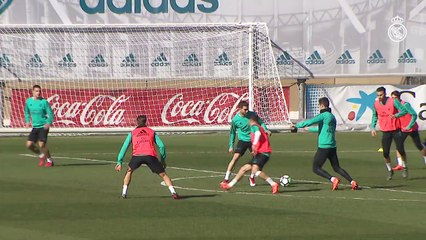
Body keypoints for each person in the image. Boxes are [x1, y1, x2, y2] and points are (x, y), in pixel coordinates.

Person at [295, 97, 359, 190]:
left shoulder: (324, 115)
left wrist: (297, 125)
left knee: (316, 168)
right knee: (336, 167)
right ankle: (352, 181)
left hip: (324, 147)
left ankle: (333, 179)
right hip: (332, 146)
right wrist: (310, 129)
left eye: (319, 106)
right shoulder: (332, 117)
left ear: (322, 105)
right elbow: (323, 129)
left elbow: (310, 121)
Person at [115, 115, 179, 199]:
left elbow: (124, 147)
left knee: (129, 171)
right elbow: (162, 146)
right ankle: (173, 192)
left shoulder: (132, 133)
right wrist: (162, 160)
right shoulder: (151, 132)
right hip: (150, 156)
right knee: (163, 175)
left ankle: (124, 193)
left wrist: (119, 162)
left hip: (137, 156)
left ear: (137, 122)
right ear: (146, 122)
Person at [220, 114, 279, 194]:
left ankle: (273, 184)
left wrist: (254, 145)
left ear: (251, 121)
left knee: (255, 171)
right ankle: (229, 185)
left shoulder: (255, 126)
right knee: (243, 169)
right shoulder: (258, 127)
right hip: (261, 153)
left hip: (263, 153)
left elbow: (258, 134)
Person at [221, 101, 271, 187]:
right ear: (239, 109)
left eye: (247, 109)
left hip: (254, 140)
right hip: (243, 140)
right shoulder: (235, 120)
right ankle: (226, 179)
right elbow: (232, 132)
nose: (247, 111)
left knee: (257, 160)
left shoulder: (252, 115)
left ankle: (252, 177)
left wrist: (266, 129)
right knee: (235, 157)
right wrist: (231, 145)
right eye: (245, 109)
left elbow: (261, 122)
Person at [371, 87, 408, 180]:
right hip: (385, 131)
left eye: (381, 95)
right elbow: (374, 115)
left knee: (400, 149)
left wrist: (396, 115)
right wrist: (373, 127)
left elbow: (404, 111)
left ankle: (404, 167)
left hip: (396, 130)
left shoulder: (393, 101)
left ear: (385, 94)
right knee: (385, 153)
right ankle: (389, 170)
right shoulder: (376, 104)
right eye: (378, 95)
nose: (379, 97)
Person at [390, 91, 426, 168]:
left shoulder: (405, 104)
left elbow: (414, 115)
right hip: (403, 129)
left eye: (395, 98)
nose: (394, 100)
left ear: (399, 97)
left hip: (412, 129)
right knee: (398, 145)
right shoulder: (394, 106)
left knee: (419, 146)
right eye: (392, 98)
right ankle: (400, 164)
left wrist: (410, 125)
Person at [24, 84, 54, 167]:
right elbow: (26, 112)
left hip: (43, 126)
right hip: (35, 127)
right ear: (32, 92)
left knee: (42, 145)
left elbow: (50, 113)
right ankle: (41, 155)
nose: (38, 93)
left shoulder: (44, 102)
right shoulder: (28, 101)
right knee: (29, 145)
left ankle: (49, 160)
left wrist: (48, 122)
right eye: (36, 91)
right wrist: (27, 121)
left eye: (40, 91)